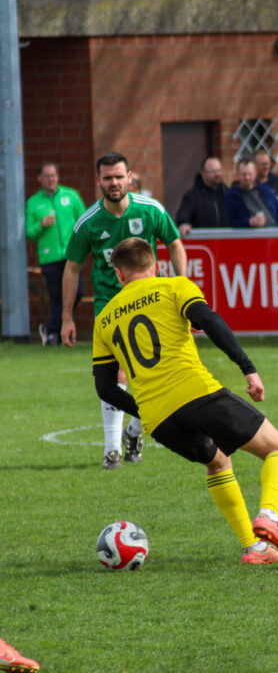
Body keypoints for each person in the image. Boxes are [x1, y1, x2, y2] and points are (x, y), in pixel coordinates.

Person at [93, 237, 278, 566]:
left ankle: (254, 548)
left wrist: (143, 408)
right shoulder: (173, 286)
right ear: (157, 266)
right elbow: (210, 322)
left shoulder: (104, 319)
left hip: (158, 420)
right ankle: (269, 516)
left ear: (119, 274)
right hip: (197, 393)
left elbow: (106, 388)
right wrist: (247, 368)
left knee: (218, 463)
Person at [61, 151, 187, 470]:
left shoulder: (150, 209)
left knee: (157, 373)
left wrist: (180, 287)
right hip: (109, 304)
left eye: (119, 176)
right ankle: (112, 449)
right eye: (107, 177)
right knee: (117, 373)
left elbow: (175, 244)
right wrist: (66, 317)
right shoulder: (88, 222)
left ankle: (133, 431)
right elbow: (72, 268)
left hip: (150, 301)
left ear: (130, 177)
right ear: (98, 180)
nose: (114, 182)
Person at [25, 162, 85, 346]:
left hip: (72, 255)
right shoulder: (33, 202)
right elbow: (29, 233)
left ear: (58, 177)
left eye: (53, 176)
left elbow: (84, 220)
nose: (51, 179)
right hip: (49, 257)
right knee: (57, 297)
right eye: (47, 176)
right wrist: (41, 225)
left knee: (77, 292)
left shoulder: (71, 195)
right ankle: (56, 336)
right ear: (39, 178)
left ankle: (50, 328)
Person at [224, 158, 278, 227]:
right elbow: (230, 222)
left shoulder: (265, 190)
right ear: (238, 174)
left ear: (255, 173)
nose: (247, 178)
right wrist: (249, 222)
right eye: (243, 174)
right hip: (251, 233)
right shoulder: (232, 196)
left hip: (275, 231)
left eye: (250, 174)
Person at [176, 156, 229, 235]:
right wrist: (184, 224)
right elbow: (183, 215)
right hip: (204, 240)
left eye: (219, 170)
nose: (217, 174)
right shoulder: (192, 196)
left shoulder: (227, 193)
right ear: (203, 174)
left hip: (226, 240)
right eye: (213, 171)